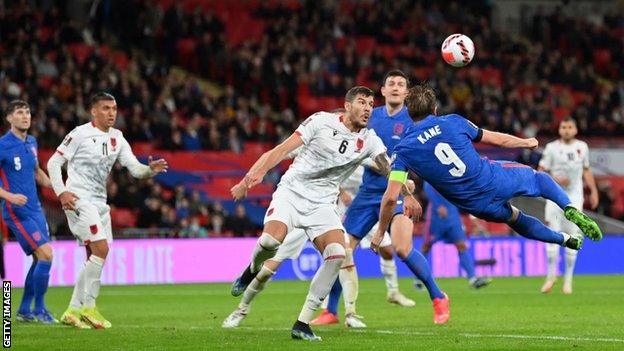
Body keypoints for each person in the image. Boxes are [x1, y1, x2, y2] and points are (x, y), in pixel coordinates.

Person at [229, 86, 418, 341]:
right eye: (362, 102)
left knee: (337, 254)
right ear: (347, 105)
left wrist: (407, 192)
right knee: (270, 243)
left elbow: (387, 168)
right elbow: (281, 150)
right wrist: (249, 180)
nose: (367, 108)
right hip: (292, 194)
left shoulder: (369, 140)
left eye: (371, 104)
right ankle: (251, 268)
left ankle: (303, 323)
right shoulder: (320, 122)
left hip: (322, 205)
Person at [372, 84, 602, 282]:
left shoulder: (403, 150)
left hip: (476, 205)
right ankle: (569, 207)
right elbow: (497, 139)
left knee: (515, 219)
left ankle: (563, 239)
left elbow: (391, 197)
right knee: (539, 179)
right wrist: (526, 142)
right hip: (493, 179)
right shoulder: (453, 121)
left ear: (409, 113)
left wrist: (381, 231)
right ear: (435, 109)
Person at [315, 70, 449, 328]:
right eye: (391, 84)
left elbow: (425, 154)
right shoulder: (370, 116)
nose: (396, 87)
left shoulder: (412, 120)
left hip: (399, 191)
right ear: (383, 91)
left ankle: (438, 296)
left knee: (401, 248)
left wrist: (411, 184)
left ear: (407, 93)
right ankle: (331, 311)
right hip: (367, 193)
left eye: (401, 84)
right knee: (340, 251)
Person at [47, 92, 168, 329]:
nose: (111, 113)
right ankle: (89, 307)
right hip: (78, 198)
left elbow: (134, 169)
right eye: (105, 108)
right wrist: (61, 192)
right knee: (100, 249)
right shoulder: (80, 134)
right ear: (93, 111)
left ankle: (73, 310)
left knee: (94, 256)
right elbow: (53, 163)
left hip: (100, 203)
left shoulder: (118, 137)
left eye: (113, 108)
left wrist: (150, 170)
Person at [0, 100, 57, 323]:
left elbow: (37, 173)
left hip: (35, 209)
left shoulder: (31, 142)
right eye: (20, 113)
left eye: (28, 112)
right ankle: (40, 309)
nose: (25, 116)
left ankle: (24, 310)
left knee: (38, 259)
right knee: (46, 255)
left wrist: (58, 187)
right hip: (16, 211)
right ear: (9, 118)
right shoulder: (3, 144)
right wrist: (8, 196)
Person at [538, 118, 599, 294]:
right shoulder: (551, 148)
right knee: (551, 235)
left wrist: (593, 190)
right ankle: (550, 278)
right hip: (554, 197)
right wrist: (556, 179)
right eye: (563, 127)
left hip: (575, 197)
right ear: (559, 130)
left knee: (574, 236)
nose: (566, 130)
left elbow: (586, 170)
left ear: (575, 130)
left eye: (569, 127)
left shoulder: (582, 147)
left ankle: (568, 282)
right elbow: (540, 171)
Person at [420, 182, 490, 289]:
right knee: (426, 246)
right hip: (436, 215)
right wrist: (438, 205)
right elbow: (427, 185)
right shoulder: (434, 167)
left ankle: (473, 278)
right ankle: (419, 280)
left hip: (452, 214)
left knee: (461, 245)